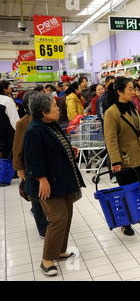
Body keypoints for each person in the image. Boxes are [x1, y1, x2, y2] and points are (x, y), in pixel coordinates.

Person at [24, 93, 85, 276]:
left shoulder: (50, 125)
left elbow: (56, 146)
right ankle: (47, 260)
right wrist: (41, 179)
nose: (59, 108)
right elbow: (32, 158)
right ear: (44, 112)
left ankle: (59, 251)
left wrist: (69, 149)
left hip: (62, 180)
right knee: (57, 218)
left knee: (66, 216)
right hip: (48, 184)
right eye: (54, 106)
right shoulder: (34, 130)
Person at [103, 77, 140, 236]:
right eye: (130, 89)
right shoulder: (111, 112)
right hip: (123, 160)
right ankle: (124, 223)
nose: (134, 92)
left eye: (134, 89)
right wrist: (115, 161)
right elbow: (110, 139)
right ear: (119, 92)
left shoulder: (132, 107)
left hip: (137, 156)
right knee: (125, 191)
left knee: (137, 188)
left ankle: (131, 215)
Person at [12, 91, 49, 239]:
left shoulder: (46, 119)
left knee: (44, 197)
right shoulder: (22, 123)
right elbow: (17, 147)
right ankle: (42, 229)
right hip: (30, 166)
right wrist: (20, 169)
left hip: (46, 164)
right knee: (36, 197)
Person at [0, 82, 20, 159]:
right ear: (4, 89)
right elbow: (15, 121)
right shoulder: (7, 101)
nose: (10, 88)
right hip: (7, 137)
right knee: (8, 159)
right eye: (9, 86)